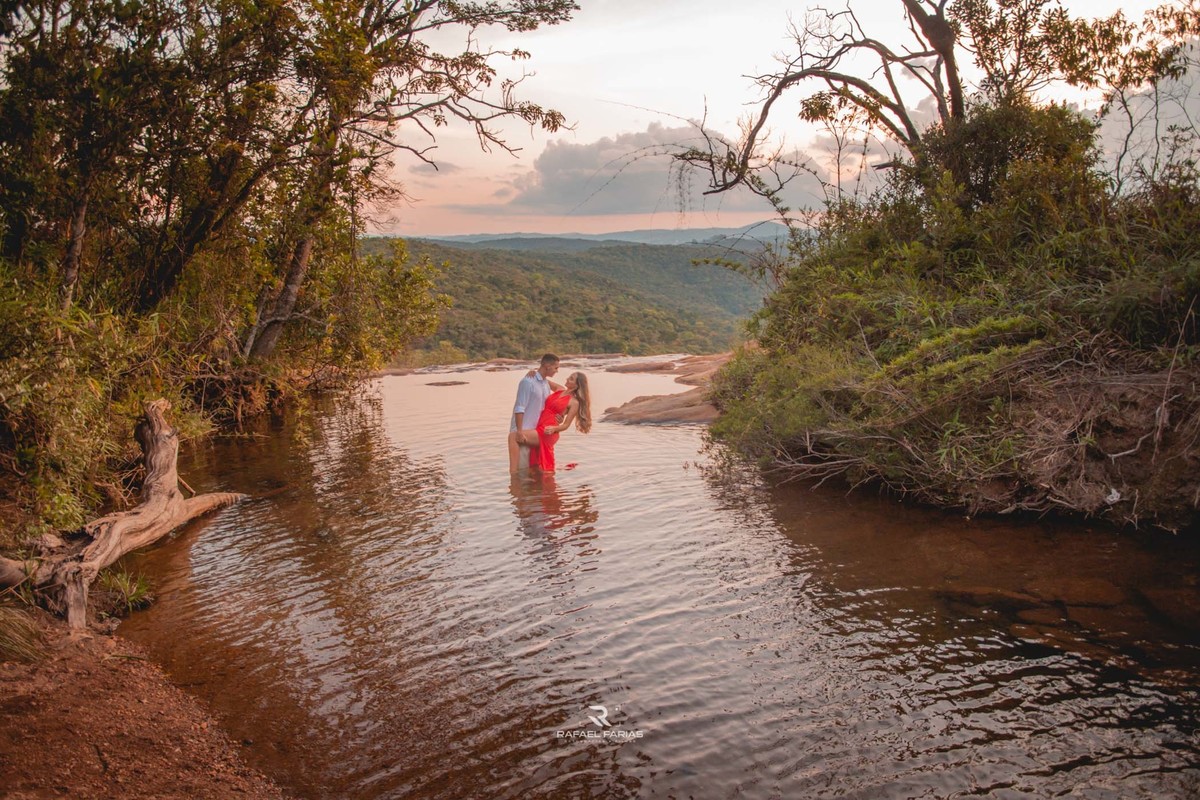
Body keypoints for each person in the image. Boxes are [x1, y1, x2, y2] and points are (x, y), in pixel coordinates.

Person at [513, 371, 592, 472]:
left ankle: (513, 475)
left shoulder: (574, 402)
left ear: (576, 386)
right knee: (537, 467)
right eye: (569, 376)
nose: (567, 379)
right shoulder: (559, 389)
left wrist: (554, 428)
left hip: (548, 431)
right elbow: (544, 380)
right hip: (538, 425)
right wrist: (535, 373)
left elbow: (566, 425)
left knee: (514, 437)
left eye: (571, 379)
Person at [509, 353, 559, 473]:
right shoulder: (527, 382)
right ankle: (514, 489)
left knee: (533, 470)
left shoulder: (545, 384)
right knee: (521, 470)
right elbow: (519, 407)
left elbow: (562, 390)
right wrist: (519, 431)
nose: (557, 371)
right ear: (547, 365)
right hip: (523, 432)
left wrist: (558, 416)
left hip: (536, 431)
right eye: (556, 368)